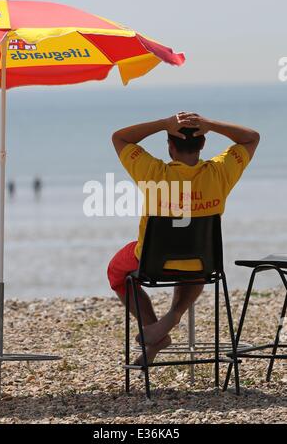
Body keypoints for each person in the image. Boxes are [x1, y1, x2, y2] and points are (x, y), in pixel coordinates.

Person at [108, 112, 260, 365]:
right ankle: (173, 316)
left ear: (170, 146)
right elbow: (251, 138)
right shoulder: (220, 173)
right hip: (204, 264)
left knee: (116, 271)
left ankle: (154, 329)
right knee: (193, 259)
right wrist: (210, 124)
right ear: (203, 144)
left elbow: (120, 137)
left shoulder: (153, 172)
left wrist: (162, 124)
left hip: (152, 263)